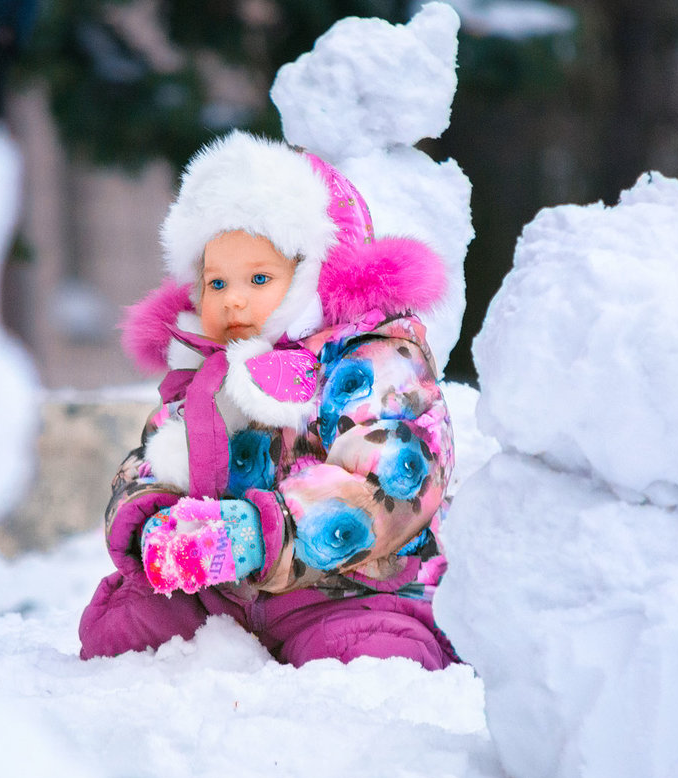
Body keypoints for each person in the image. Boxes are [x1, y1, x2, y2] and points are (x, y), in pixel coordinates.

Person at [78, 131, 459, 669]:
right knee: (119, 628)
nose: (233, 298)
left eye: (259, 278)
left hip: (356, 588)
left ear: (314, 272)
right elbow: (152, 456)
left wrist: (258, 534)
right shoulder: (206, 374)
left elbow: (392, 477)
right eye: (215, 283)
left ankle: (382, 653)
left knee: (363, 653)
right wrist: (151, 519)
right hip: (231, 594)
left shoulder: (372, 360)